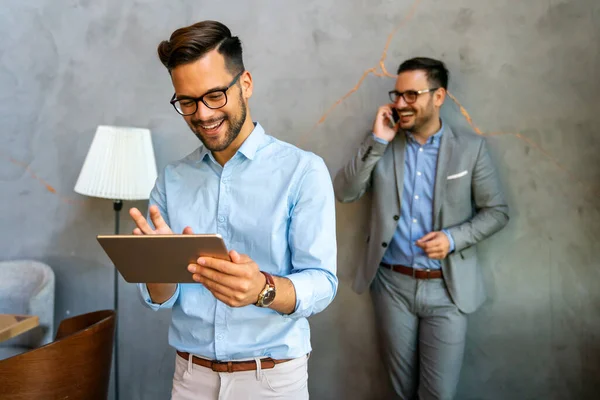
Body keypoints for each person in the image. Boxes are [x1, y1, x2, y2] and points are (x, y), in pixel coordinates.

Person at [128, 20, 338, 400]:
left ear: (245, 84)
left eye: (215, 95)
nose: (203, 114)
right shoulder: (171, 179)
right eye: (187, 101)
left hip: (272, 381)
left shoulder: (303, 171)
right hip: (190, 378)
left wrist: (263, 289)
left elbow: (323, 282)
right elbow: (161, 298)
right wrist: (156, 266)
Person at [333, 57, 509, 399]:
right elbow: (345, 191)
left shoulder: (471, 150)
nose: (400, 104)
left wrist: (453, 239)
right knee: (400, 392)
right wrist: (378, 140)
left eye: (411, 95)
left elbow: (497, 212)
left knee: (437, 394)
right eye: (397, 95)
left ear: (438, 96)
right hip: (391, 286)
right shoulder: (382, 144)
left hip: (447, 289)